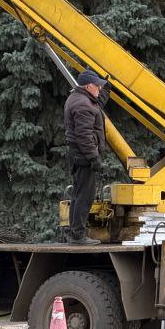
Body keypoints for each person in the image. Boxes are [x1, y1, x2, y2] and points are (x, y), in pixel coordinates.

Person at [63, 69, 108, 245]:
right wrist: (93, 158)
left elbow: (98, 104)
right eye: (98, 86)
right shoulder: (83, 105)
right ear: (89, 86)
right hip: (83, 157)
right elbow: (84, 136)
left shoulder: (80, 99)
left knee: (78, 194)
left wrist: (107, 88)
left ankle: (75, 233)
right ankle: (78, 236)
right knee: (85, 196)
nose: (99, 89)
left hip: (77, 156)